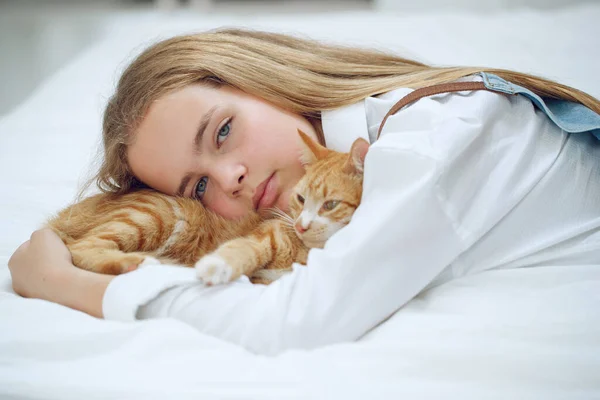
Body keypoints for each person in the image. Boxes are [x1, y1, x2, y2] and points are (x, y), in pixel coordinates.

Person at [8, 29, 600, 356]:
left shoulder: (434, 141)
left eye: (222, 131)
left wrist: (65, 284)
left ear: (265, 80)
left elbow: (293, 325)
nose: (230, 179)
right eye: (198, 185)